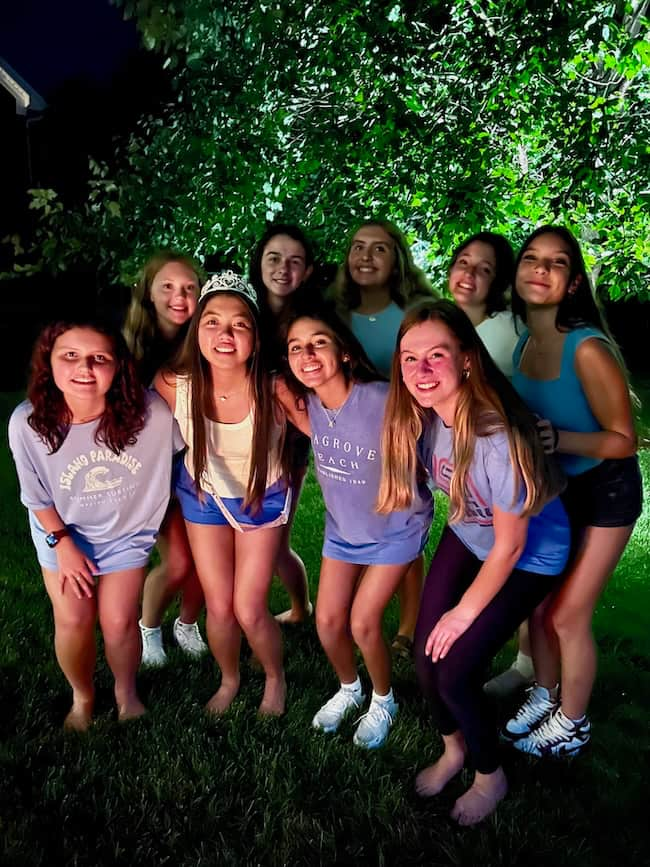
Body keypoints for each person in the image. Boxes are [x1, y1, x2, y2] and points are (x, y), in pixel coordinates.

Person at [378, 299, 570, 824]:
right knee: (424, 658)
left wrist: (462, 612)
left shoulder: (495, 437)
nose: (421, 370)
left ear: (466, 359)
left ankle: (491, 775)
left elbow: (510, 545)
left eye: (436, 355)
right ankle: (454, 750)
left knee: (456, 669)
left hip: (529, 555)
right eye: (409, 357)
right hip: (469, 533)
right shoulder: (428, 419)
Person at [502, 226, 642, 758]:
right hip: (556, 492)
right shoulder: (523, 341)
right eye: (531, 259)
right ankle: (545, 694)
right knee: (537, 610)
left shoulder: (587, 349)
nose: (541, 269)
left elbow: (625, 439)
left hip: (606, 493)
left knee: (567, 615)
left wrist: (558, 438)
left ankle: (574, 723)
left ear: (574, 282)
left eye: (556, 263)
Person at [8, 317, 180, 731]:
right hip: (62, 531)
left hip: (126, 533)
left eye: (99, 358)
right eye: (70, 356)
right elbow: (36, 496)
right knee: (73, 620)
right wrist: (62, 544)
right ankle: (83, 696)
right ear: (48, 363)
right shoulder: (28, 423)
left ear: (117, 366)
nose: (84, 368)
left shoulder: (151, 414)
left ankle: (125, 691)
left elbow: (194, 440)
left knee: (119, 621)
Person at [277, 299, 433, 749]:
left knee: (364, 622)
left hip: (396, 530)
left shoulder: (382, 398)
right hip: (343, 531)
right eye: (295, 348)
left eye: (318, 343)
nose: (307, 355)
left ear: (344, 351)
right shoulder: (307, 403)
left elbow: (436, 433)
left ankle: (384, 699)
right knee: (327, 621)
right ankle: (350, 688)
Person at [153, 270, 290, 716]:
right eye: (212, 321)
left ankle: (274, 676)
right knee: (219, 605)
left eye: (239, 324)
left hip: (260, 497)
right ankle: (230, 677)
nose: (224, 334)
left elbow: (329, 425)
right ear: (197, 331)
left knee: (249, 608)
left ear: (255, 335)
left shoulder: (275, 388)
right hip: (203, 495)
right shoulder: (175, 385)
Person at [330, 219, 435, 658]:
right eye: (357, 247)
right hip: (354, 442)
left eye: (378, 249)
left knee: (404, 529)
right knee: (361, 518)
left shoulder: (414, 313)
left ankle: (410, 625)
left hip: (403, 435)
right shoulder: (335, 315)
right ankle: (350, 605)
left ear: (397, 261)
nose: (365, 257)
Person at [446, 231, 534, 696]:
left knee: (525, 562)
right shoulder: (446, 325)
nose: (469, 275)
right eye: (464, 262)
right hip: (466, 471)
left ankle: (526, 665)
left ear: (498, 282)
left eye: (484, 269)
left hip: (509, 467)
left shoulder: (507, 332)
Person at [123, 251, 208, 666]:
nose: (180, 297)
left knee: (211, 563)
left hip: (203, 470)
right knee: (178, 561)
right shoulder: (128, 355)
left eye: (190, 288)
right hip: (152, 475)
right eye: (168, 287)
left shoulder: (207, 343)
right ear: (148, 293)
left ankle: (187, 623)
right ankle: (149, 627)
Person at [248, 224, 314, 623]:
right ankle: (296, 608)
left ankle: (299, 607)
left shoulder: (310, 319)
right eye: (274, 258)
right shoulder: (243, 310)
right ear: (259, 263)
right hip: (238, 438)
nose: (283, 269)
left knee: (275, 540)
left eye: (294, 261)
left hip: (288, 443)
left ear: (307, 271)